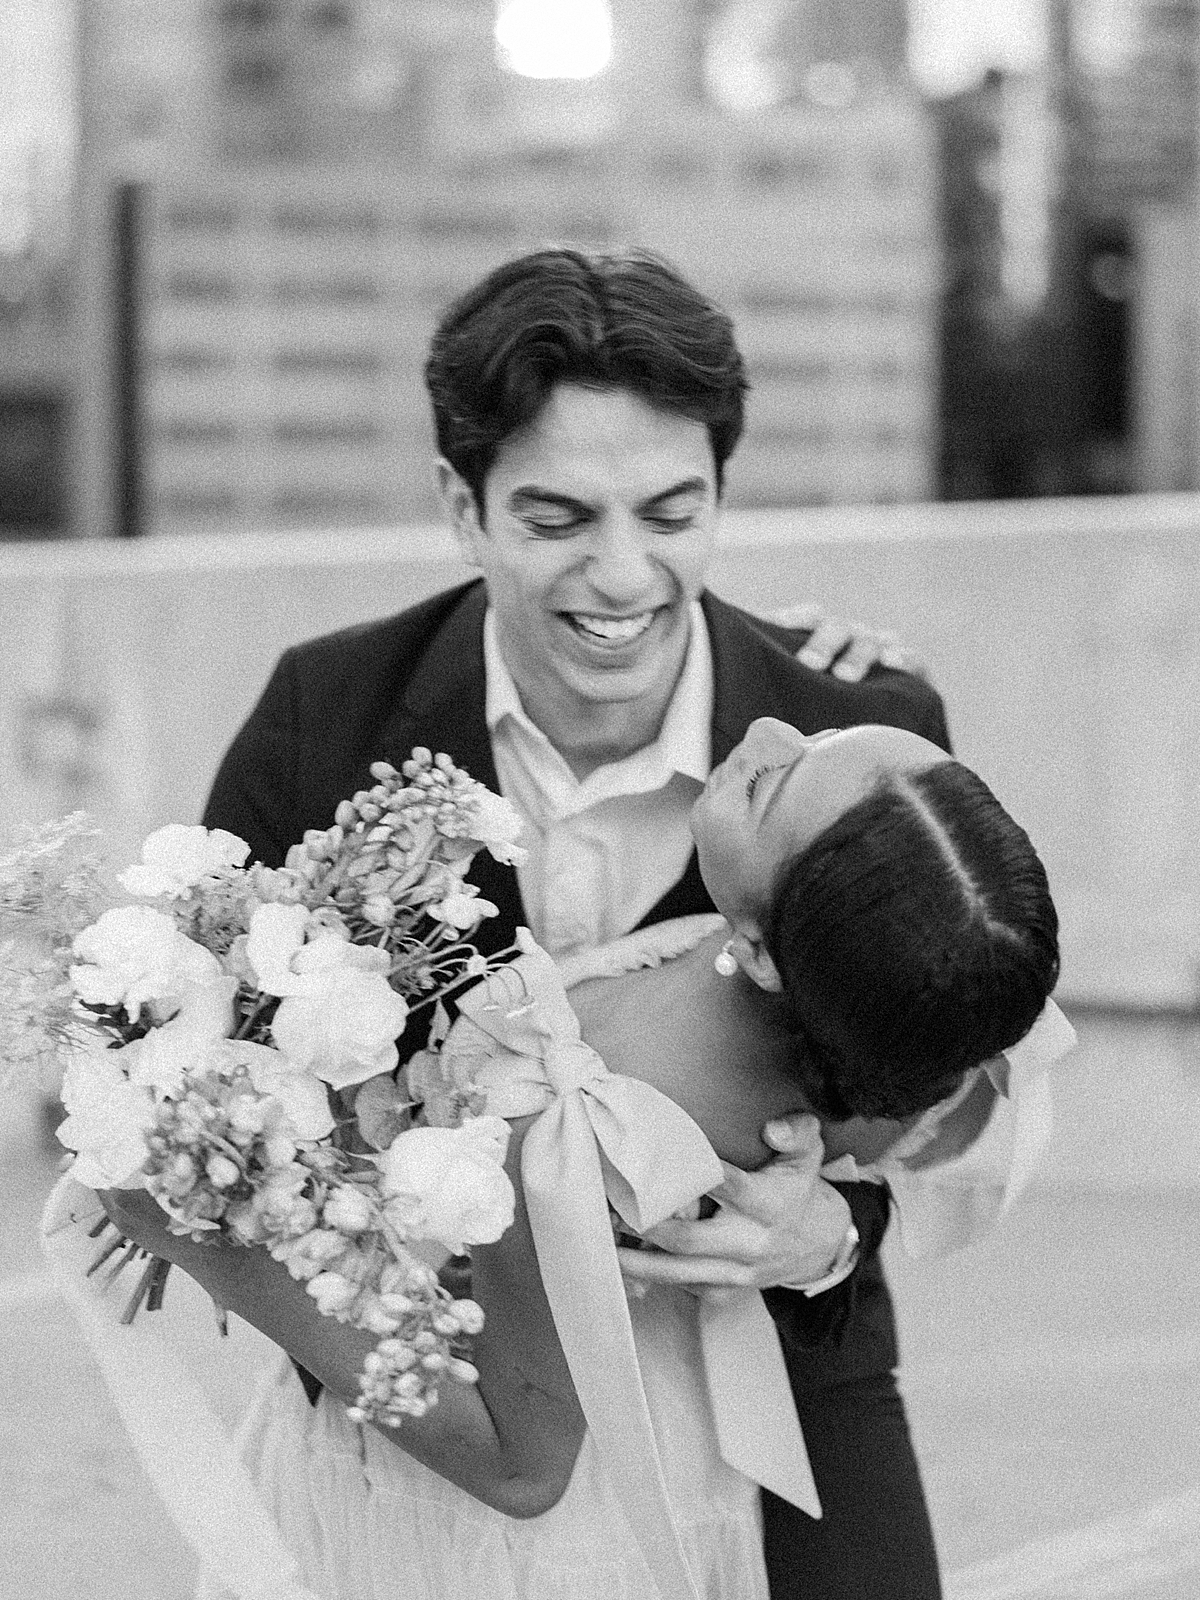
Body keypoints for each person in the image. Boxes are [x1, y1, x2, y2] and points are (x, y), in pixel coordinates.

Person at [199, 246, 956, 1596]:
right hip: (465, 1393)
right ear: (461, 503)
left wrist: (829, 1235)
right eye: (558, 521)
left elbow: (944, 1094)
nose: (623, 578)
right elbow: (232, 1098)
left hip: (772, 1367)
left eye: (673, 514)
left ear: (725, 490)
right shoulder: (325, 718)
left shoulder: (865, 733)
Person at [93, 716, 1068, 1600]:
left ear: (766, 952)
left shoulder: (576, 1125)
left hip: (494, 1539)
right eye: (822, 735)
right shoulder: (909, 1011)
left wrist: (203, 1237)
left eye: (777, 786)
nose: (769, 728)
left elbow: (523, 1461)